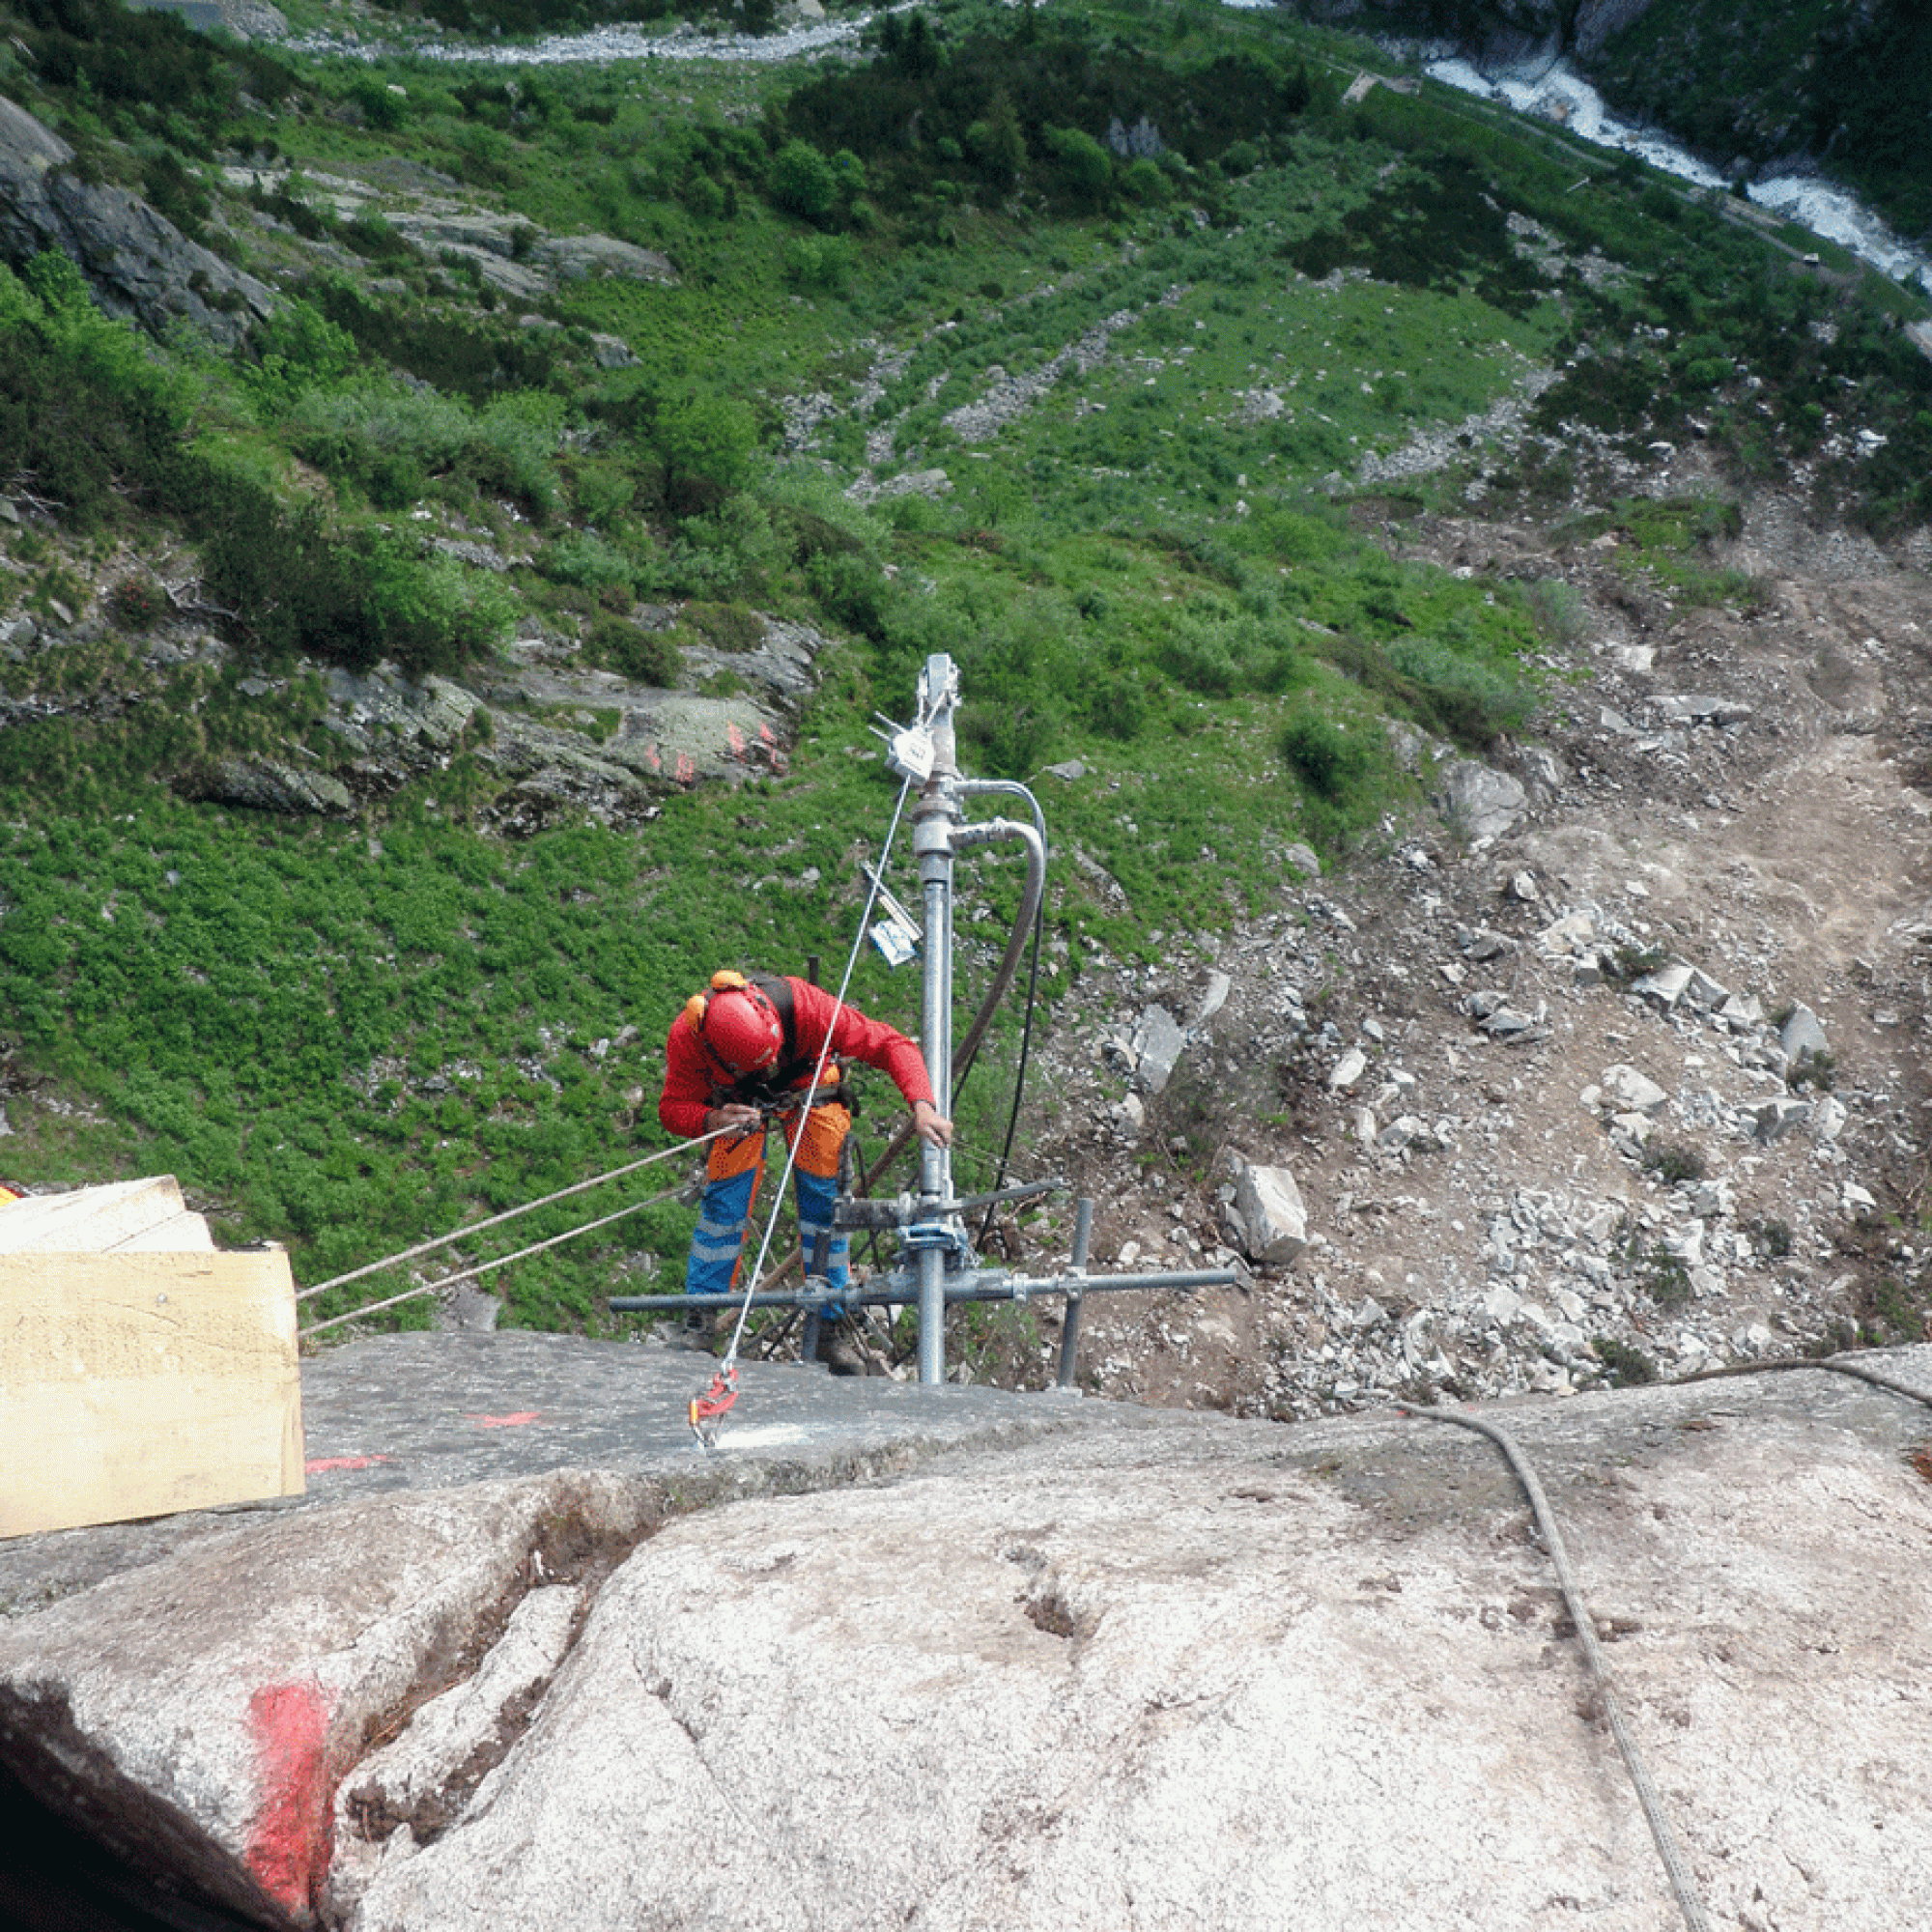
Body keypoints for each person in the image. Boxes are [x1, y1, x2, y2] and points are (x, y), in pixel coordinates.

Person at [658, 970, 952, 1373]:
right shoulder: (690, 1037)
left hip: (810, 1086)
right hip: (736, 1108)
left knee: (825, 1208)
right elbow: (673, 1108)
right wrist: (711, 1119)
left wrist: (922, 1103)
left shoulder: (808, 1008)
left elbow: (889, 1044)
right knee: (724, 1207)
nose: (772, 1065)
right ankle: (701, 1318)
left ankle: (831, 1327)